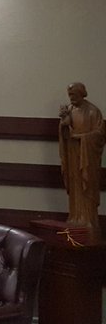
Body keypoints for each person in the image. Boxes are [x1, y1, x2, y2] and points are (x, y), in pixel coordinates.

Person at [59, 82, 105, 237]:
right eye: (69, 95)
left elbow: (100, 135)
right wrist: (64, 125)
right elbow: (65, 133)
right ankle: (75, 218)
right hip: (73, 155)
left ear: (81, 93)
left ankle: (88, 220)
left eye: (73, 94)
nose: (71, 98)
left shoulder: (93, 111)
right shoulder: (69, 110)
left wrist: (81, 138)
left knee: (87, 186)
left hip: (87, 158)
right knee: (75, 187)